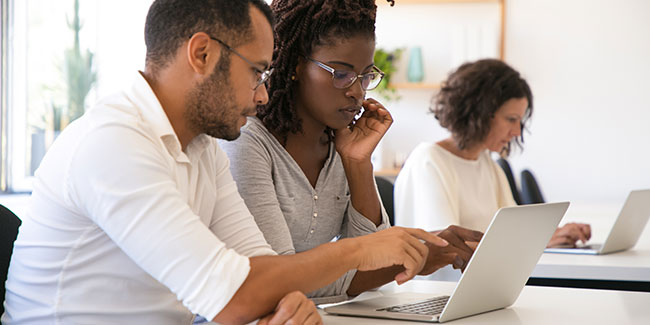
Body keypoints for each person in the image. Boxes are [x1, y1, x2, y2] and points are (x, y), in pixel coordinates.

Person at [1, 1, 450, 324]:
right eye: (257, 72)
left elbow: (263, 271)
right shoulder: (113, 143)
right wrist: (356, 250)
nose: (262, 94)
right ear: (202, 54)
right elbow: (233, 297)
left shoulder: (201, 149)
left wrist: (283, 305)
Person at [220, 0, 484, 304]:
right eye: (341, 74)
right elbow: (280, 281)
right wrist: (416, 257)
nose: (357, 91)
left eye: (366, 75)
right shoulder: (246, 141)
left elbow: (373, 261)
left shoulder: (341, 145)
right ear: (295, 66)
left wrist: (358, 163)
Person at [394, 59, 591, 248]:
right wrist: (538, 241)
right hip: (445, 283)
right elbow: (446, 248)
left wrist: (558, 234)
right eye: (511, 119)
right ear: (479, 113)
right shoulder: (429, 160)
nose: (517, 132)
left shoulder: (486, 163)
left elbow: (517, 232)